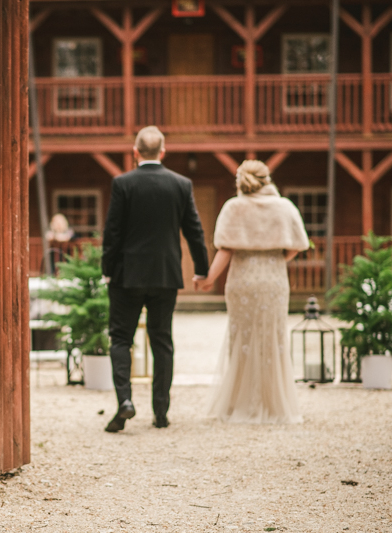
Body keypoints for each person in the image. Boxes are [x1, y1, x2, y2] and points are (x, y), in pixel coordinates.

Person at [102, 126, 209, 432]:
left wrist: (107, 268)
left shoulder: (122, 183)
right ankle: (160, 412)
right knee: (162, 341)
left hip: (127, 275)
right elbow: (194, 231)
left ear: (135, 152)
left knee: (121, 338)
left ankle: (125, 402)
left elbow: (113, 232)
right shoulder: (181, 184)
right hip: (165, 274)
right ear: (163, 152)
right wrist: (201, 270)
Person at [197, 160, 309, 424]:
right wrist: (272, 259)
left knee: (242, 337)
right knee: (274, 336)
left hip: (242, 279)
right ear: (266, 179)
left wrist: (208, 278)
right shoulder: (284, 207)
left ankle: (239, 401)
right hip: (273, 279)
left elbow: (225, 249)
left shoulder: (233, 208)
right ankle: (274, 405)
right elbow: (295, 246)